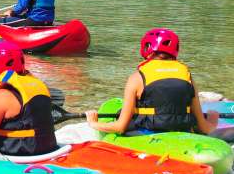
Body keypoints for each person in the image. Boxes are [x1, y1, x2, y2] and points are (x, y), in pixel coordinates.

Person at [86, 29, 218, 135]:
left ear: (147, 49)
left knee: (122, 114)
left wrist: (93, 123)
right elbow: (204, 128)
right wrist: (213, 119)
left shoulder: (137, 77)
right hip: (181, 131)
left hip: (146, 133)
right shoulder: (187, 75)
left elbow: (120, 127)